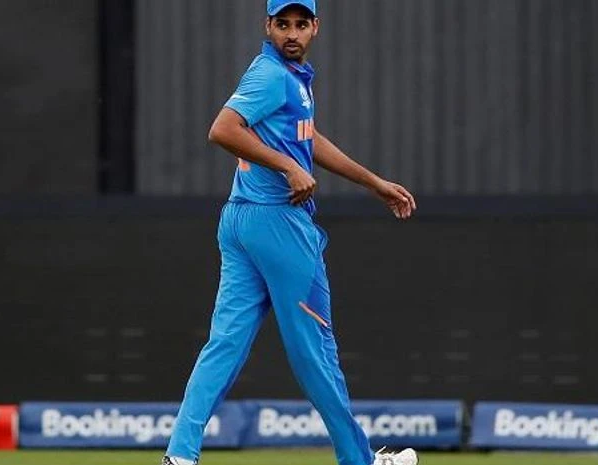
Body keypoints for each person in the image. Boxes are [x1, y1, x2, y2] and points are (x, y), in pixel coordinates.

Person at [162, 1, 418, 464]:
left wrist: (373, 182)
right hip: (279, 224)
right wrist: (286, 168)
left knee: (225, 344)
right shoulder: (271, 75)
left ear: (316, 28)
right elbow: (222, 130)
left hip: (241, 222)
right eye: (283, 24)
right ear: (268, 26)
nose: (292, 33)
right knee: (315, 350)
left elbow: (308, 139)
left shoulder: (292, 81)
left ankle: (180, 456)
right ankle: (358, 461)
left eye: (301, 24)